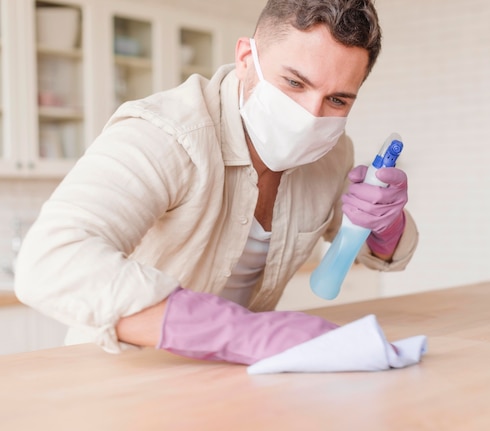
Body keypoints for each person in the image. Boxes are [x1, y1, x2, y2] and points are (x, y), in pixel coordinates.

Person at [15, 0, 418, 365]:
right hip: (120, 377)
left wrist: (384, 224)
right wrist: (245, 332)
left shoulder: (331, 154)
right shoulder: (168, 132)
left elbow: (361, 247)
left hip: (231, 380)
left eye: (338, 100)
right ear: (246, 58)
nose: (311, 116)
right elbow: (49, 261)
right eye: (294, 83)